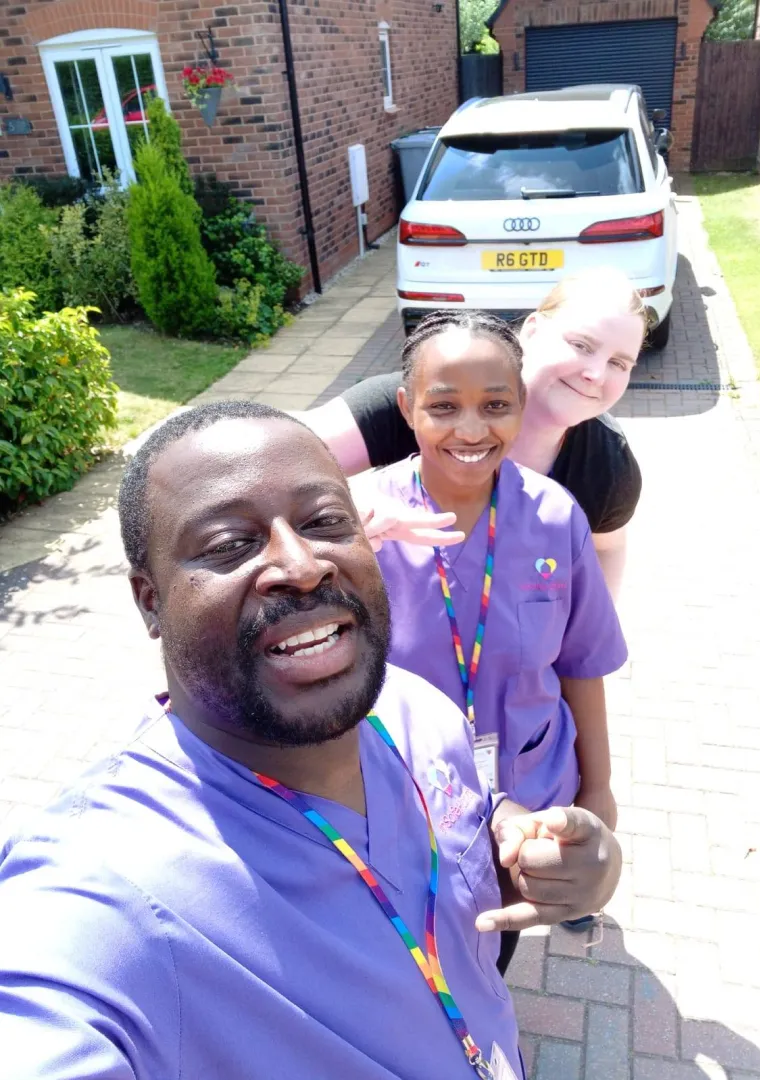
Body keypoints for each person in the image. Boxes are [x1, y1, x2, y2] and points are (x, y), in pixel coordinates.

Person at [0, 402, 621, 1080]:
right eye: (229, 544)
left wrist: (545, 852)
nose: (300, 565)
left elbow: (464, 820)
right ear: (150, 600)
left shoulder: (414, 709)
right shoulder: (102, 888)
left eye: (325, 521)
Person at [359, 312, 626, 969]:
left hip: (529, 791)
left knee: (491, 942)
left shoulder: (554, 515)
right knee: (408, 956)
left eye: (496, 405)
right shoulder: (362, 523)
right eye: (443, 406)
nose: (472, 430)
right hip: (405, 800)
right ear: (407, 407)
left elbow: (580, 663)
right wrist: (347, 544)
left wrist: (597, 788)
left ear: (521, 406)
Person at [297, 268, 647, 597]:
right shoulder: (425, 402)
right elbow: (271, 456)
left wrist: (587, 638)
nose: (596, 374)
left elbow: (608, 547)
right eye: (582, 345)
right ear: (533, 330)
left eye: (619, 363)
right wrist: (348, 508)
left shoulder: (607, 464)